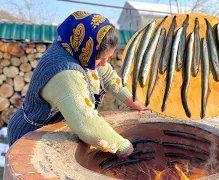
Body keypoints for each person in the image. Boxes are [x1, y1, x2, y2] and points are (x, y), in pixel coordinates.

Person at [8, 11, 147, 158]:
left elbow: (108, 76)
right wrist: (124, 147)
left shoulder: (79, 49)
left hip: (50, 133)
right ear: (88, 47)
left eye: (108, 58)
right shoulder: (65, 73)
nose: (104, 64)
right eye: (101, 59)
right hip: (30, 138)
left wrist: (132, 100)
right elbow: (85, 122)